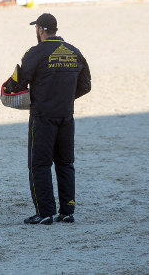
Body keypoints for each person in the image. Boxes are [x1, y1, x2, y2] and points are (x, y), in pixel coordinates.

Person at [17, 13, 91, 225]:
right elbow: (86, 86)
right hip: (66, 116)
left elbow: (20, 83)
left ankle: (45, 212)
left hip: (43, 117)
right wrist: (65, 98)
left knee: (39, 165)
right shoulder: (75, 52)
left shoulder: (35, 52)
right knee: (66, 164)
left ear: (40, 29)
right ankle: (67, 211)